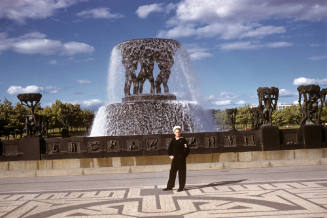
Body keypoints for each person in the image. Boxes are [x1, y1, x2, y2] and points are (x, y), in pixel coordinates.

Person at [163, 126, 190, 192]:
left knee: (182, 174)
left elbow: (187, 150)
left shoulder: (183, 140)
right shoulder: (173, 140)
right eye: (176, 132)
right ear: (174, 133)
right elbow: (170, 149)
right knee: (172, 173)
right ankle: (170, 186)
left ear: (180, 132)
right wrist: (170, 155)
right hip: (174, 160)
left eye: (179, 132)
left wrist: (182, 156)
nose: (178, 133)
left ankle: (181, 187)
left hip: (181, 160)